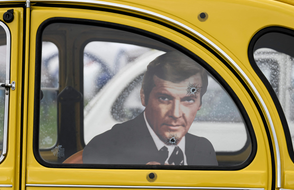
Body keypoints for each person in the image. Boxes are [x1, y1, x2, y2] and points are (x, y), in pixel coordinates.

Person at [83, 51, 217, 166]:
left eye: (188, 100)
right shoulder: (106, 148)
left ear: (200, 104)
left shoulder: (203, 150)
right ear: (144, 97)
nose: (176, 113)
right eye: (164, 98)